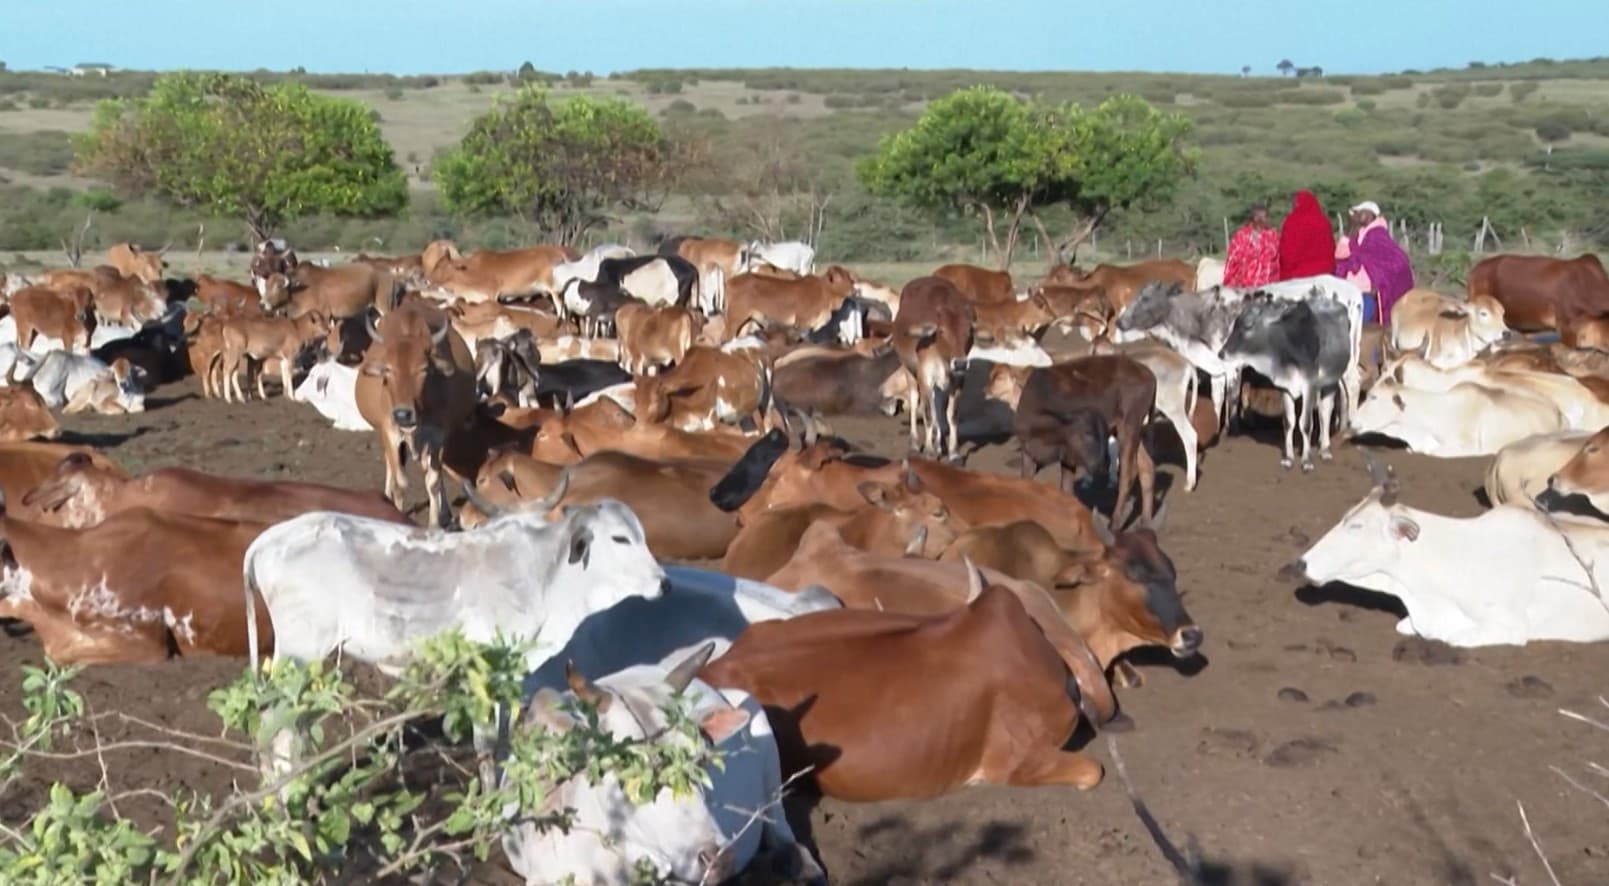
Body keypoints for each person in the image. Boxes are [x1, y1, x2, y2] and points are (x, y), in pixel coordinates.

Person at [1334, 200, 1415, 326]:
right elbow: (1340, 255)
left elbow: (1392, 262)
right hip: (1351, 292)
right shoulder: (1357, 236)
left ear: (1370, 215)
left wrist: (1378, 280)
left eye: (1359, 212)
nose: (1356, 216)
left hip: (1368, 295)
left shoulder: (1377, 236)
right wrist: (1350, 231)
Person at [1278, 190, 1336, 280]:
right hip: (1324, 273)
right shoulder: (1324, 222)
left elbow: (1287, 253)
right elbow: (1330, 248)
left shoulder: (1293, 222)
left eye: (1294, 204)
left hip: (1298, 275)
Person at [1222, 203, 1280, 288]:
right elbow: (1232, 262)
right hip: (1246, 287)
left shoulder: (1273, 236)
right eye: (1266, 217)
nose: (1268, 220)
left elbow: (1280, 259)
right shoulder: (1241, 237)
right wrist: (1229, 284)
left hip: (1269, 286)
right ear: (1256, 218)